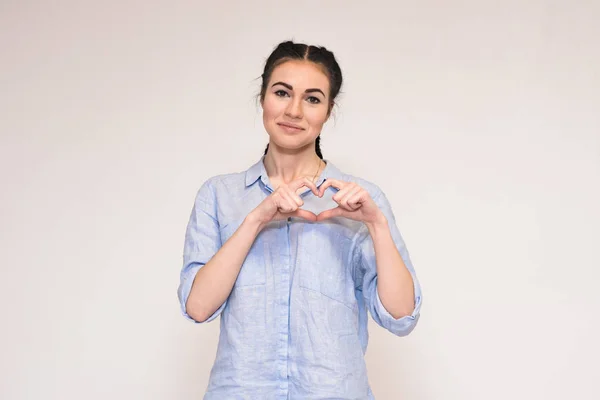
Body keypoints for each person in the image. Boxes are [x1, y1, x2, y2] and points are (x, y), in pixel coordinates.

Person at [177, 40, 423, 399]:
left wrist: (378, 225)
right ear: (263, 97)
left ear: (327, 111)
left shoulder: (360, 201)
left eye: (312, 98)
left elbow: (401, 317)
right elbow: (198, 307)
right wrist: (257, 219)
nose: (294, 110)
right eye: (282, 92)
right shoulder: (219, 195)